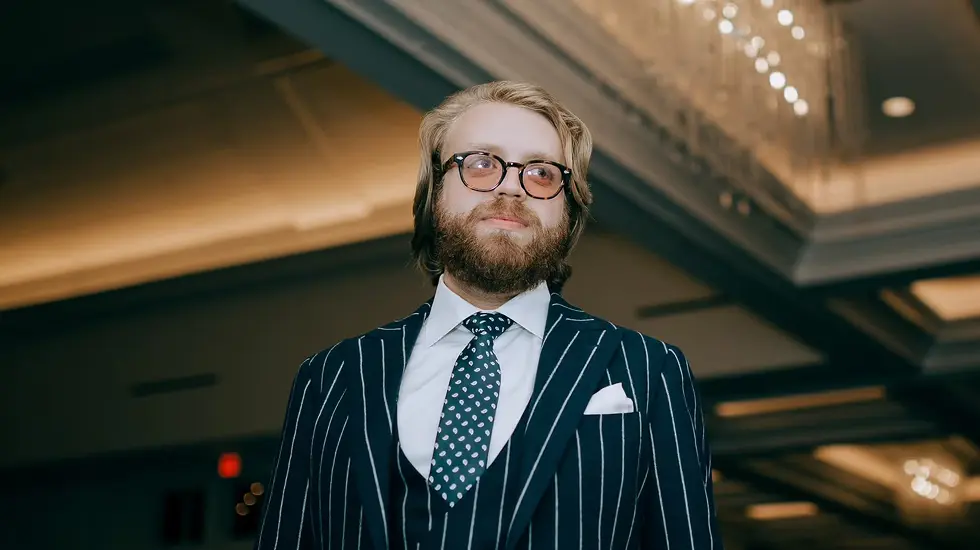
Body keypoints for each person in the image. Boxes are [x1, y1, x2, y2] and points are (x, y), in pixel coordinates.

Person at [255, 81, 721, 550]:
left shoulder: (649, 370)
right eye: (481, 163)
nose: (511, 187)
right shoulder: (330, 377)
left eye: (541, 173)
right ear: (434, 189)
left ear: (569, 207)